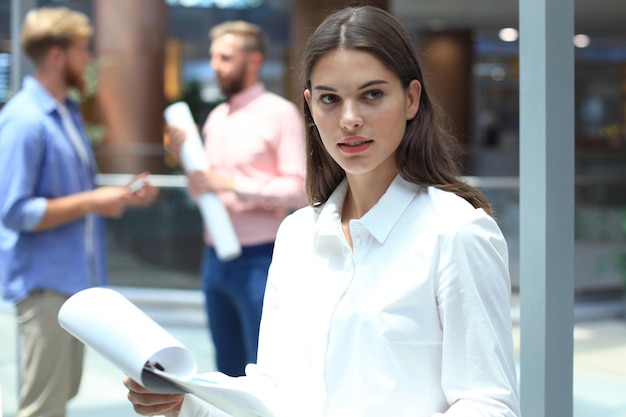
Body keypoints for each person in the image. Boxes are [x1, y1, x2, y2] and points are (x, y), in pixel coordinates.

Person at [124, 6, 521, 416]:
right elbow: (272, 392)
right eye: (331, 99)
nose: (350, 119)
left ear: (411, 99)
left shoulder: (457, 231)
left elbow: (488, 404)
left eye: (372, 94)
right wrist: (182, 403)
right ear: (311, 107)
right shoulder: (297, 234)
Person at [0, 7, 158, 417]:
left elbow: (73, 196)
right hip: (45, 286)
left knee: (61, 396)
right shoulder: (24, 120)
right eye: (82, 50)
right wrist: (93, 201)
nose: (88, 60)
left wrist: (114, 196)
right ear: (57, 55)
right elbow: (15, 211)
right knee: (42, 406)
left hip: (75, 284)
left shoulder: (66, 112)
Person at [165, 21, 306, 377]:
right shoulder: (215, 118)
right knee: (225, 370)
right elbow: (204, 189)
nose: (215, 64)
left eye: (225, 57)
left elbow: (300, 189)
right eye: (213, 56)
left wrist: (230, 183)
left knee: (266, 368)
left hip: (262, 258)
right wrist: (187, 163)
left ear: (254, 60)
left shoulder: (280, 114)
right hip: (214, 259)